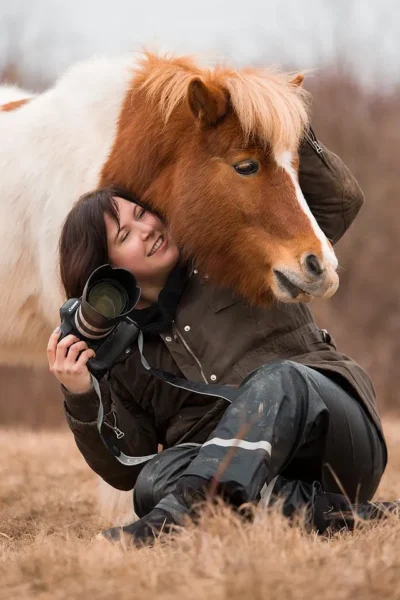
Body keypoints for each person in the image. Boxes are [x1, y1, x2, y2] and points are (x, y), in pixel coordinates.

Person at [47, 129, 391, 546]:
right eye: (125, 235)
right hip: (252, 480)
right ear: (106, 274)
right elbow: (127, 465)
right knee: (155, 481)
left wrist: (283, 129)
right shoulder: (120, 351)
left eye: (142, 214)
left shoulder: (229, 252)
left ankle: (170, 524)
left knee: (280, 380)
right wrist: (81, 392)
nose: (148, 228)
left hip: (333, 436)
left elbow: (337, 205)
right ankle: (351, 517)